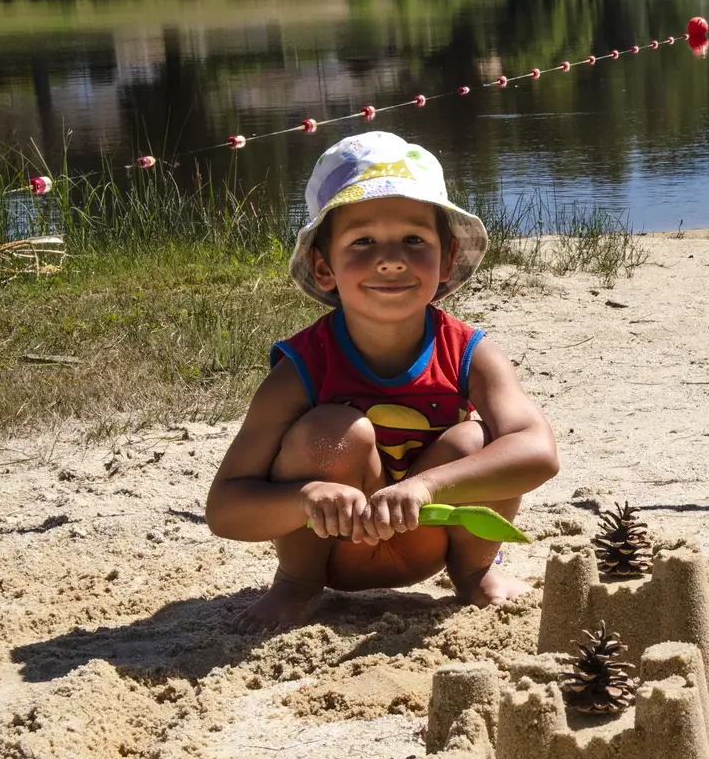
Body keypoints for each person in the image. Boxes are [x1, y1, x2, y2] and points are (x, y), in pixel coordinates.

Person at [206, 132, 559, 632]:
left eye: (414, 240)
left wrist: (425, 486)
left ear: (446, 255)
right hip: (334, 551)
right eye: (363, 241)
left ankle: (476, 571)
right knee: (332, 430)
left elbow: (539, 453)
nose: (391, 259)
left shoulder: (470, 352)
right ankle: (295, 583)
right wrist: (305, 499)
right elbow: (225, 510)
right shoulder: (303, 368)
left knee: (475, 438)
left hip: (428, 539)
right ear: (323, 266)